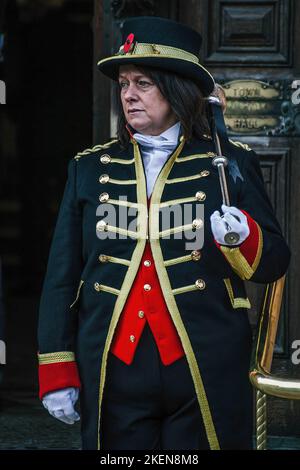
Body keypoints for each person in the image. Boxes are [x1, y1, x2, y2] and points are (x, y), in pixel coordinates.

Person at [37, 16, 290, 450]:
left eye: (143, 83)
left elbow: (273, 264)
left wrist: (242, 237)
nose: (128, 95)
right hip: (115, 365)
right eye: (123, 84)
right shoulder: (89, 167)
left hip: (204, 362)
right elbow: (63, 274)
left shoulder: (230, 163)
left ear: (177, 90)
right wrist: (56, 366)